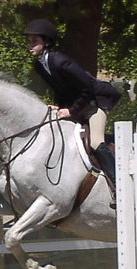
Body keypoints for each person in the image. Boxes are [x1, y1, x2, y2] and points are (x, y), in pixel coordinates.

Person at [24, 19, 121, 205]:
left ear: (46, 42)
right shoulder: (39, 65)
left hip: (96, 101)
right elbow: (61, 89)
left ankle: (118, 186)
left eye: (34, 41)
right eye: (29, 41)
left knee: (95, 141)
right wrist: (59, 106)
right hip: (79, 103)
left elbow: (88, 88)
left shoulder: (60, 61)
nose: (30, 45)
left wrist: (71, 110)